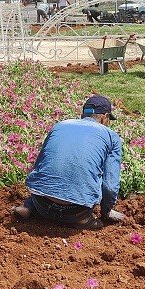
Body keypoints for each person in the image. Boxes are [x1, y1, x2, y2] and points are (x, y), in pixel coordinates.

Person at [13, 95, 124, 229]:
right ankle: (83, 220)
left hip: (41, 204)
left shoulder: (60, 125)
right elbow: (110, 186)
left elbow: (39, 164)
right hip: (76, 212)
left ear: (83, 114)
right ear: (104, 117)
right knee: (97, 175)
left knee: (51, 172)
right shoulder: (111, 136)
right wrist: (106, 212)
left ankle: (28, 207)